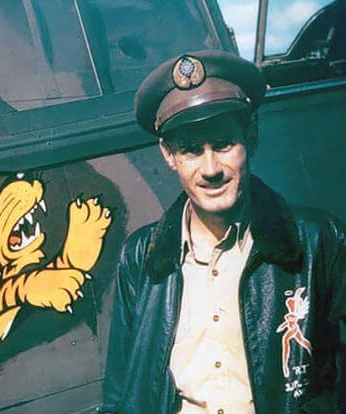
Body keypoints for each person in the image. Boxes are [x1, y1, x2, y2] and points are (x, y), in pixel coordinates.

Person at [101, 49, 346, 413]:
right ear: (168, 155)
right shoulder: (141, 256)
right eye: (191, 150)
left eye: (223, 144)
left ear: (252, 136)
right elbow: (120, 393)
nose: (210, 168)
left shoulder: (317, 241)